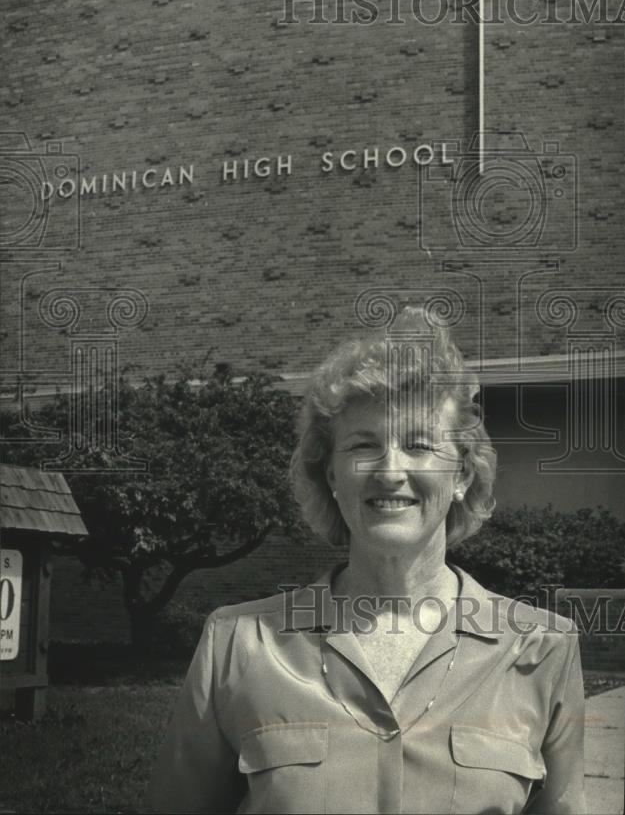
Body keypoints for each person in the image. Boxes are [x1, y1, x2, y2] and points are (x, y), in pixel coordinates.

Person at [147, 308, 586, 815]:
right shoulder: (237, 644)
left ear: (462, 474)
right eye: (363, 445)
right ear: (331, 476)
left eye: (419, 444)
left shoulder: (544, 649)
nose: (390, 470)